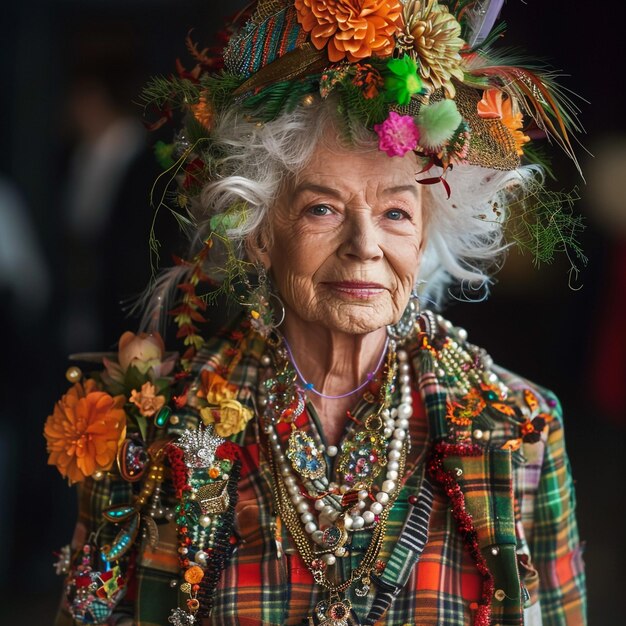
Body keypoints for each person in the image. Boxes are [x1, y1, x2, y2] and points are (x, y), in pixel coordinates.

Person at [44, 1, 586, 625]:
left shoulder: (520, 431)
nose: (364, 244)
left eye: (396, 212)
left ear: (425, 236)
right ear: (259, 233)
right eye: (322, 209)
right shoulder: (149, 431)